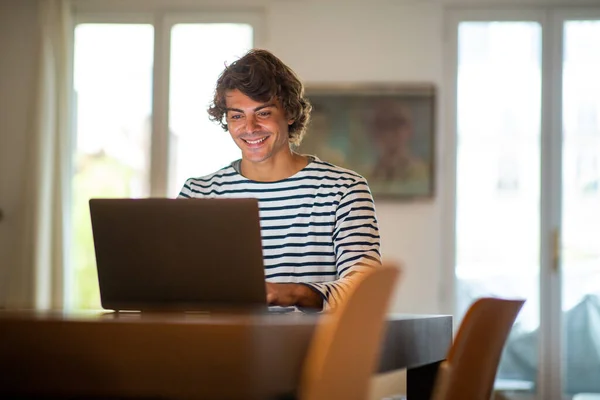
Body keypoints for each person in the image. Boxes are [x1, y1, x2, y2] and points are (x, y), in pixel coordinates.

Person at [178, 49, 381, 311]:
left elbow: (365, 289)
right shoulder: (199, 193)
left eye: (263, 113)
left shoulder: (344, 190)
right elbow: (178, 286)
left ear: (289, 113)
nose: (249, 128)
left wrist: (293, 293)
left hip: (311, 348)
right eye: (237, 115)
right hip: (222, 345)